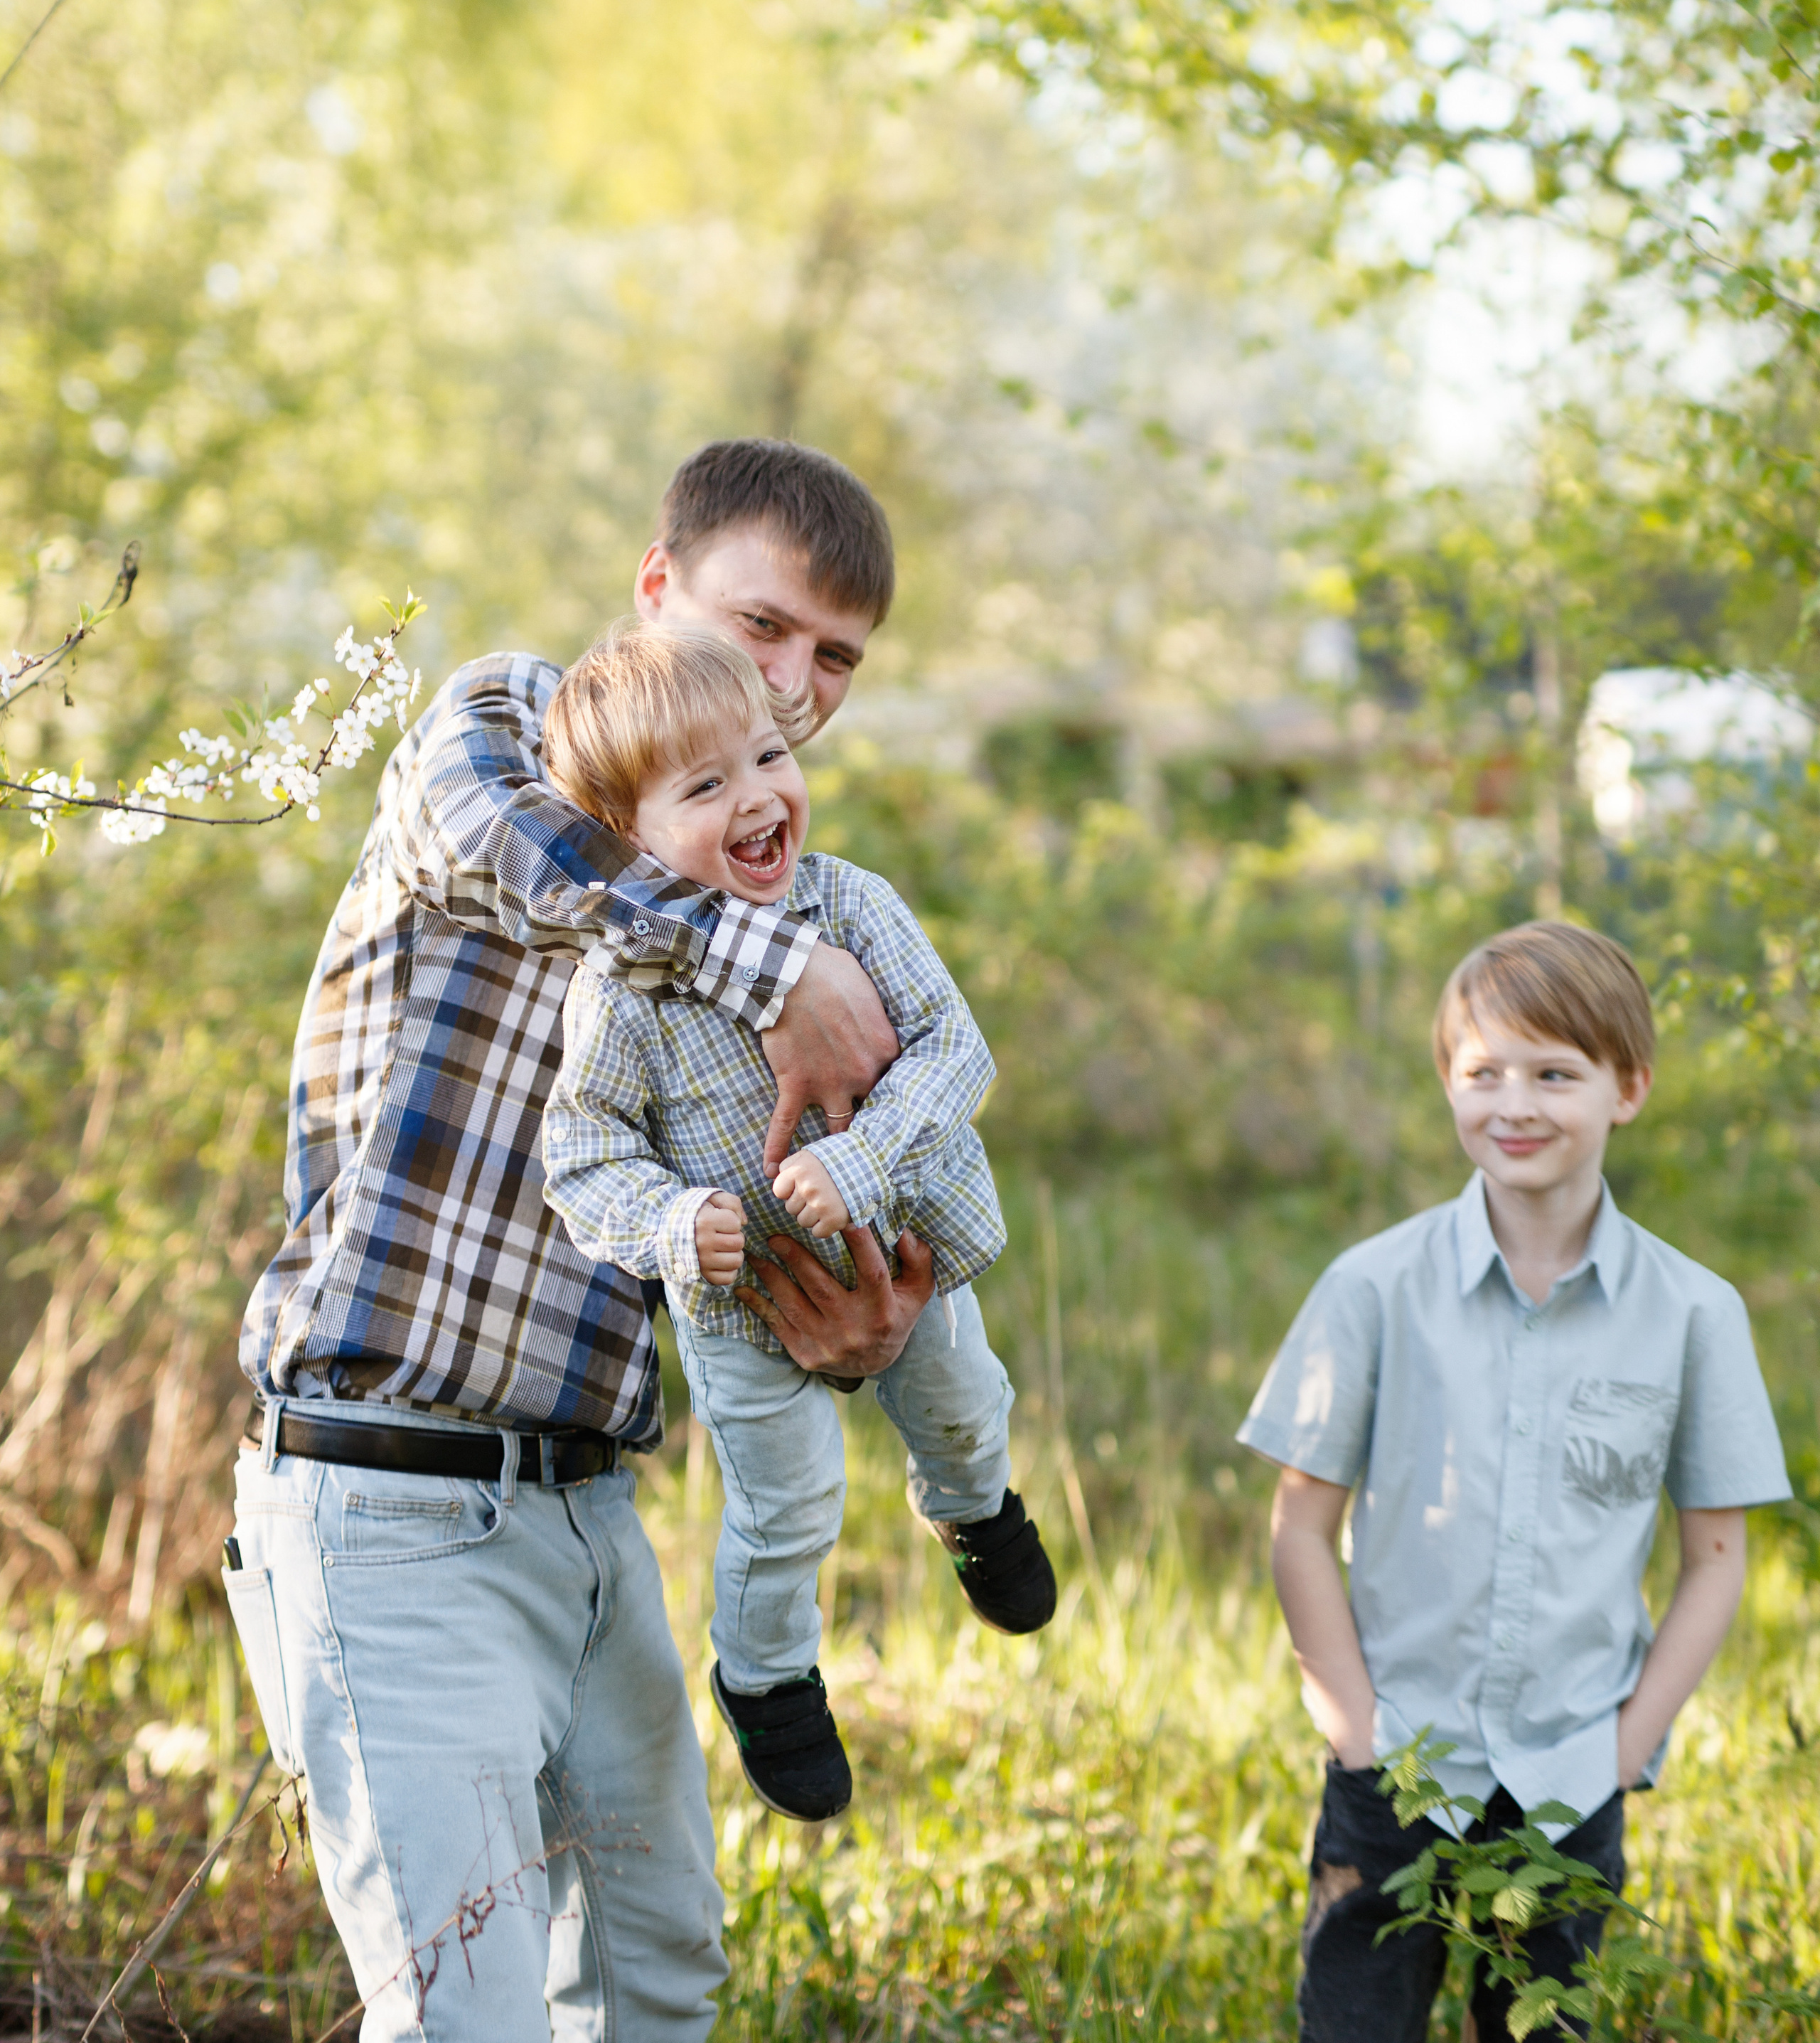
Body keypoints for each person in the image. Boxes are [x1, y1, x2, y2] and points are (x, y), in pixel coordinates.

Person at [225, 441, 938, 2042]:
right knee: (463, 2008)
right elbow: (520, 848)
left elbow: (727, 1202)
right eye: (764, 627)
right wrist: (769, 968)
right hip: (389, 1496)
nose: (800, 686)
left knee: (651, 1974)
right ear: (655, 588)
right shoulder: (501, 724)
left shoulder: (757, 875)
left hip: (587, 1512)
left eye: (834, 659)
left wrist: (844, 1311)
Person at [537, 620, 1056, 1823]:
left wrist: (868, 1156)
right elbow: (584, 1150)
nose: (761, 796)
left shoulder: (852, 904)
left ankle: (975, 1510)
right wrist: (676, 1224)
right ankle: (767, 1676)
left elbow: (955, 1048)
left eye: (769, 757)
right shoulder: (622, 991)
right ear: (633, 838)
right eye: (706, 784)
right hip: (746, 1298)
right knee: (786, 1508)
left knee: (966, 1406)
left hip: (911, 1246)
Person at [1236, 920, 1791, 2043]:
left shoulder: (1694, 1313)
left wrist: (1624, 1749)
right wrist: (1356, 1727)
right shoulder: (1372, 1288)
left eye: (1555, 1073)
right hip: (1397, 1765)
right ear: (1448, 1078)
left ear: (1626, 1087)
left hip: (1570, 1775)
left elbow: (1717, 1559)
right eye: (1484, 1071)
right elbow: (1300, 1524)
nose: (1516, 1103)